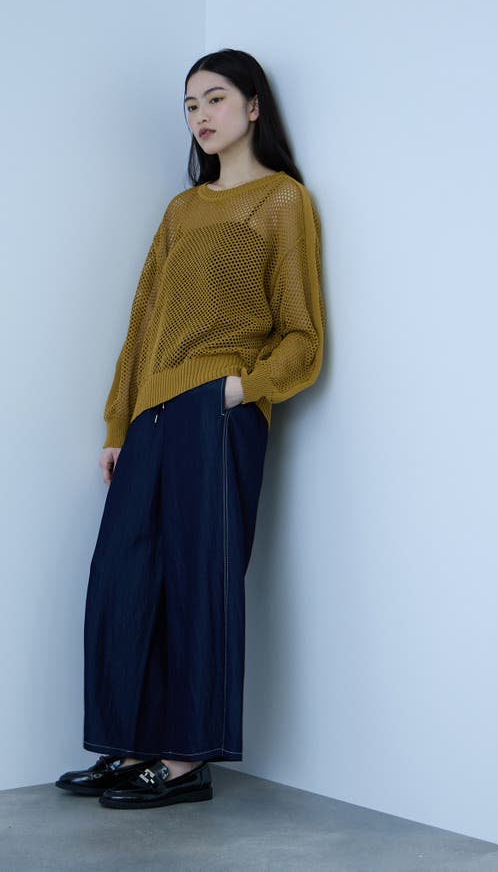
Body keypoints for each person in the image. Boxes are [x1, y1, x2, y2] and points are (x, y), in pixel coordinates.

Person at [55, 48, 326, 809]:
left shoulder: (282, 202)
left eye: (215, 99)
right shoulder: (181, 210)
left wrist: (240, 390)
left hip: (217, 413)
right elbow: (143, 323)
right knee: (123, 579)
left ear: (253, 106)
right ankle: (130, 744)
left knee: (199, 584)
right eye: (190, 105)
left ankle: (183, 761)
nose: (200, 115)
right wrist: (118, 421)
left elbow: (303, 335)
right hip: (152, 415)